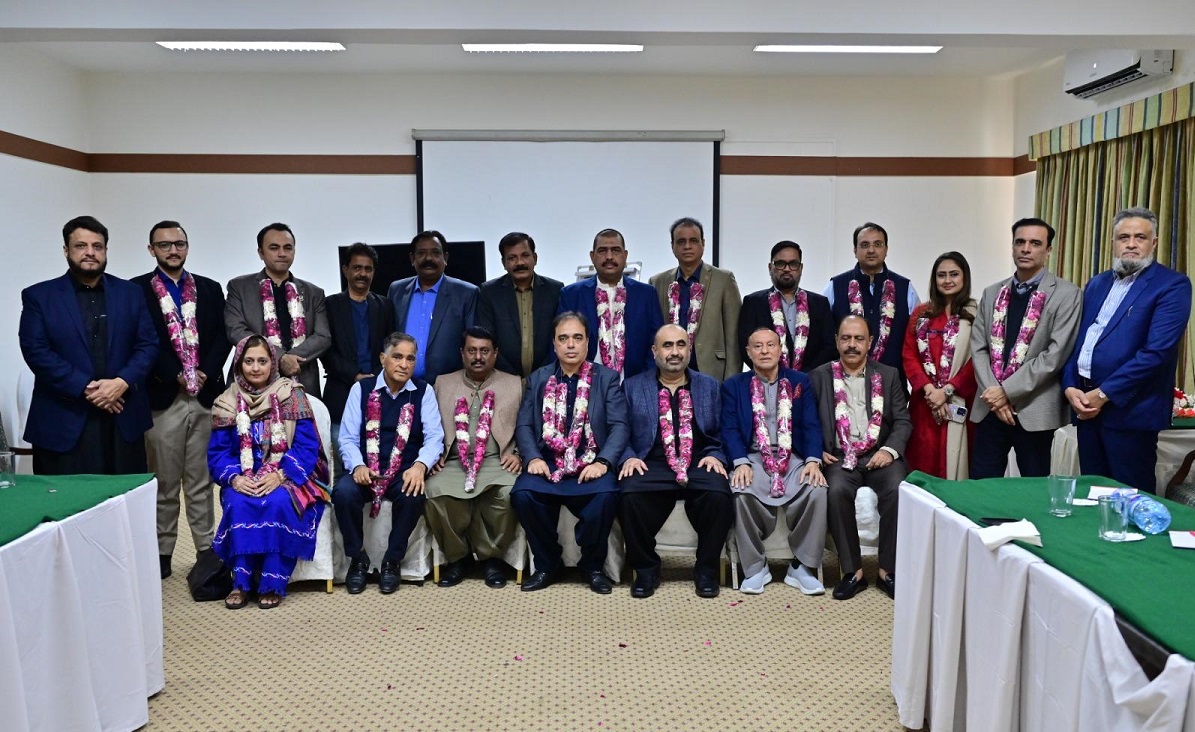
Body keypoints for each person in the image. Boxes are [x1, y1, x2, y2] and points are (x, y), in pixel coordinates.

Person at [1062, 207, 1192, 493]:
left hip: (1131, 412)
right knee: (1093, 495)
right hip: (1085, 408)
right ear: (1113, 243)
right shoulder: (1097, 284)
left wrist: (1102, 395)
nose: (1131, 244)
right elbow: (1080, 342)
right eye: (1124, 237)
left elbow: (1156, 353)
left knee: (1129, 500)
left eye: (1140, 237)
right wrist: (1070, 386)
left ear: (1153, 243)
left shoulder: (1172, 285)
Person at [20, 215, 158, 475]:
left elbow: (148, 344)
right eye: (81, 246)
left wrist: (122, 382)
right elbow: (36, 351)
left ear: (106, 250)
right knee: (65, 498)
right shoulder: (39, 296)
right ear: (66, 250)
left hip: (122, 416)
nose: (90, 252)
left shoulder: (130, 292)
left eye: (97, 246)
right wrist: (88, 388)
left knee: (125, 496)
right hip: (64, 419)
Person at [133, 220, 231, 579]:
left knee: (201, 481)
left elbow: (222, 337)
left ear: (187, 247)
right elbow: (139, 339)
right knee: (164, 483)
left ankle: (206, 551)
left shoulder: (209, 288)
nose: (173, 250)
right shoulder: (135, 290)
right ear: (152, 250)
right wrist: (171, 371)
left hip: (204, 396)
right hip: (163, 397)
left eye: (179, 244)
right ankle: (162, 552)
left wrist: (205, 370)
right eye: (164, 245)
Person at [208, 335, 330, 610]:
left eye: (262, 361)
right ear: (238, 364)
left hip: (287, 475)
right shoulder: (226, 402)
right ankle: (241, 583)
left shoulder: (292, 395)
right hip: (243, 478)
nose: (255, 368)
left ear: (273, 363)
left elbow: (307, 447)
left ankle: (273, 583)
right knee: (239, 502)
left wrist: (280, 475)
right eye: (249, 361)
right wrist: (236, 479)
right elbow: (219, 453)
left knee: (277, 502)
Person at [511, 312, 629, 594]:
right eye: (563, 339)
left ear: (588, 342)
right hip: (548, 463)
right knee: (523, 495)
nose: (571, 345)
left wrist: (603, 462)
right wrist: (533, 457)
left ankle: (592, 566)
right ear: (554, 344)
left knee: (606, 496)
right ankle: (548, 563)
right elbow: (524, 424)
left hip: (590, 463)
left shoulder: (607, 379)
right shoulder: (538, 378)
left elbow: (619, 426)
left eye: (577, 338)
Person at [618, 324, 733, 599]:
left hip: (698, 460)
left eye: (681, 345)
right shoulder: (632, 387)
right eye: (667, 345)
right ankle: (646, 569)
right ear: (654, 351)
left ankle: (706, 570)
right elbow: (619, 431)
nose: (675, 352)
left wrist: (715, 455)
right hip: (650, 461)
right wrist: (628, 456)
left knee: (719, 494)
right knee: (628, 494)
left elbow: (723, 432)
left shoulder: (709, 386)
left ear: (689, 349)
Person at [970, 218, 1082, 479]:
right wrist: (995, 396)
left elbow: (1055, 355)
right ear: (1012, 246)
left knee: (1034, 490)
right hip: (990, 408)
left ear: (1048, 250)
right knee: (981, 486)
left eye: (1035, 243)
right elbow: (978, 347)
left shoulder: (1067, 294)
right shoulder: (992, 293)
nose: (1026, 249)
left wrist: (1006, 391)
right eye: (1020, 242)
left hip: (1034, 410)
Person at [333, 333, 444, 594]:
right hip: (367, 470)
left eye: (410, 359)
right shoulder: (362, 389)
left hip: (403, 469)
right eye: (397, 357)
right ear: (383, 358)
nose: (404, 365)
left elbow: (434, 437)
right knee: (344, 493)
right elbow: (347, 438)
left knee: (413, 495)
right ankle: (357, 559)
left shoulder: (423, 391)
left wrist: (420, 466)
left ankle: (392, 561)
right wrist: (357, 466)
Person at [810, 316, 911, 601]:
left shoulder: (888, 375)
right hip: (839, 456)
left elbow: (903, 421)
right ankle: (853, 572)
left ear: (870, 343)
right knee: (836, 491)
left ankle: (887, 571)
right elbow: (807, 421)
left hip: (880, 454)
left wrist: (888, 451)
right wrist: (816, 450)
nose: (852, 345)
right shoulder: (818, 376)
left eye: (858, 339)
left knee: (899, 490)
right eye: (846, 338)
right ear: (836, 341)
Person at [722, 327, 827, 596]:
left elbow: (811, 424)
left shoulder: (800, 381)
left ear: (781, 349)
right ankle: (755, 567)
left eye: (770, 345)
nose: (765, 351)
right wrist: (740, 461)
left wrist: (813, 460)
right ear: (748, 352)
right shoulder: (734, 385)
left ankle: (802, 567)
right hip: (753, 456)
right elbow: (730, 429)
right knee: (741, 490)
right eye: (758, 346)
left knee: (817, 489)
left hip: (792, 456)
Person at [424, 327, 523, 587]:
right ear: (462, 353)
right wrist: (432, 457)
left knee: (509, 493)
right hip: (453, 462)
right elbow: (428, 426)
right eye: (472, 351)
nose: (478, 357)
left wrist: (518, 454)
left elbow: (528, 426)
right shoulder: (443, 383)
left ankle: (491, 559)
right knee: (434, 492)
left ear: (495, 354)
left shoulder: (514, 383)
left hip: (498, 461)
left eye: (484, 351)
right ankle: (459, 558)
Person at [225, 223, 331, 398]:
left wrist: (291, 359)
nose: (282, 253)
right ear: (261, 253)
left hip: (302, 380)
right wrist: (280, 357)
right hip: (252, 385)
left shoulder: (313, 292)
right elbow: (236, 330)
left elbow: (323, 336)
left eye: (288, 248)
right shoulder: (239, 287)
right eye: (274, 248)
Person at [900, 252, 978, 480]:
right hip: (925, 404)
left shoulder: (976, 313)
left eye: (954, 274)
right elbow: (909, 355)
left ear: (965, 277)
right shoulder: (921, 313)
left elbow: (978, 359)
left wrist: (947, 391)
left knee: (956, 466)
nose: (947, 280)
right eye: (941, 275)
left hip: (960, 402)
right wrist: (930, 390)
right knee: (922, 466)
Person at [321, 242, 395, 477]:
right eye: (357, 268)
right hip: (340, 395)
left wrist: (374, 378)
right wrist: (355, 376)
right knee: (343, 467)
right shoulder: (330, 305)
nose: (363, 273)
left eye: (368, 268)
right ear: (346, 270)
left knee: (380, 463)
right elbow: (326, 350)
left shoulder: (385, 305)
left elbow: (391, 347)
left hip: (379, 393)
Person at [557, 228, 664, 379]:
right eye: (602, 251)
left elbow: (657, 343)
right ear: (592, 256)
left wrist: (644, 382)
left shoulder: (646, 294)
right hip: (586, 383)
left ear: (625, 255)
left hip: (635, 383)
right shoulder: (571, 294)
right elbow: (561, 344)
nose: (609, 257)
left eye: (615, 250)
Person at [648, 217, 743, 381]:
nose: (687, 246)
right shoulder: (658, 282)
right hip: (668, 373)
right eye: (681, 242)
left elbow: (734, 336)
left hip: (711, 371)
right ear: (672, 246)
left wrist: (731, 383)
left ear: (703, 244)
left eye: (693, 241)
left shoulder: (723, 280)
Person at [824, 222, 920, 382]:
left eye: (878, 244)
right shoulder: (835, 286)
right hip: (844, 383)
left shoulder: (905, 288)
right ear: (855, 250)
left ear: (886, 249)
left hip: (893, 384)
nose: (871, 250)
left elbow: (916, 339)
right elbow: (824, 337)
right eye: (864, 245)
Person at [388, 230, 478, 384]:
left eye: (435, 253)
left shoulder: (466, 293)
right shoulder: (397, 290)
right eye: (421, 253)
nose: (428, 258)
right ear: (412, 258)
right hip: (402, 385)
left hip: (449, 387)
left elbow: (473, 343)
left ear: (445, 258)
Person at [739, 240, 836, 373]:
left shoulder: (819, 304)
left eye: (793, 264)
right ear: (770, 267)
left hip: (811, 380)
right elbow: (746, 346)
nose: (786, 269)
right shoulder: (753, 302)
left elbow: (829, 347)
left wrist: (805, 377)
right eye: (780, 264)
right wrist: (770, 374)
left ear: (801, 268)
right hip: (766, 380)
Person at [477, 232, 564, 378]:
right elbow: (487, 340)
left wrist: (541, 375)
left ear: (535, 258)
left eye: (525, 255)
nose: (520, 263)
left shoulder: (555, 290)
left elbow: (560, 337)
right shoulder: (489, 292)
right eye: (512, 258)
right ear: (504, 263)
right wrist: (511, 378)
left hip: (547, 377)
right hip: (502, 378)